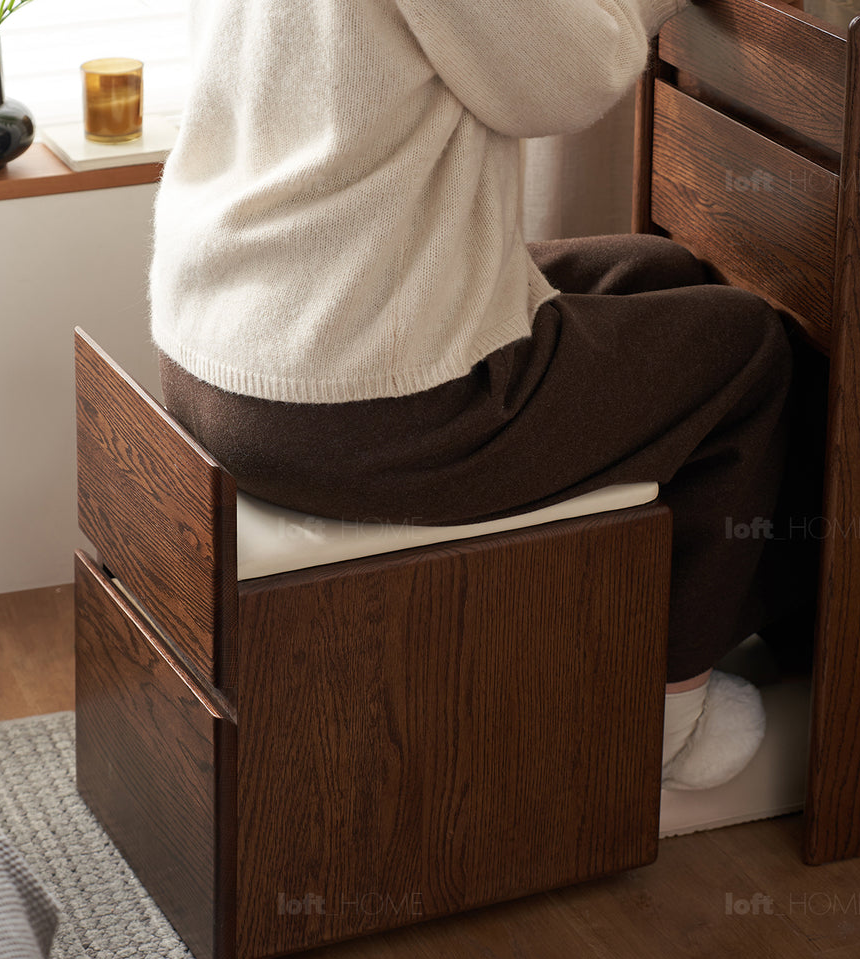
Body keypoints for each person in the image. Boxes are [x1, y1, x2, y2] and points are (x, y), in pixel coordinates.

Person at [149, 0, 797, 789]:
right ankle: (669, 714)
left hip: (227, 355)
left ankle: (635, 612)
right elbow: (567, 80)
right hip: (360, 407)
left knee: (656, 276)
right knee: (745, 347)